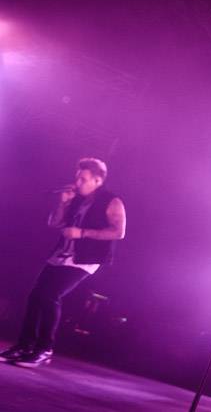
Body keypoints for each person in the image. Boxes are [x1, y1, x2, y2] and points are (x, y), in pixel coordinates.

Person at [0, 157, 126, 368]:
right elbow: (55, 223)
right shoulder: (76, 198)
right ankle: (24, 346)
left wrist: (82, 233)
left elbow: (118, 232)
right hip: (61, 254)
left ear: (97, 180)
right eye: (77, 178)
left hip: (84, 259)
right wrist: (64, 202)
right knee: (35, 296)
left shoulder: (112, 201)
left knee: (50, 295)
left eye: (83, 179)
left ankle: (44, 348)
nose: (78, 183)